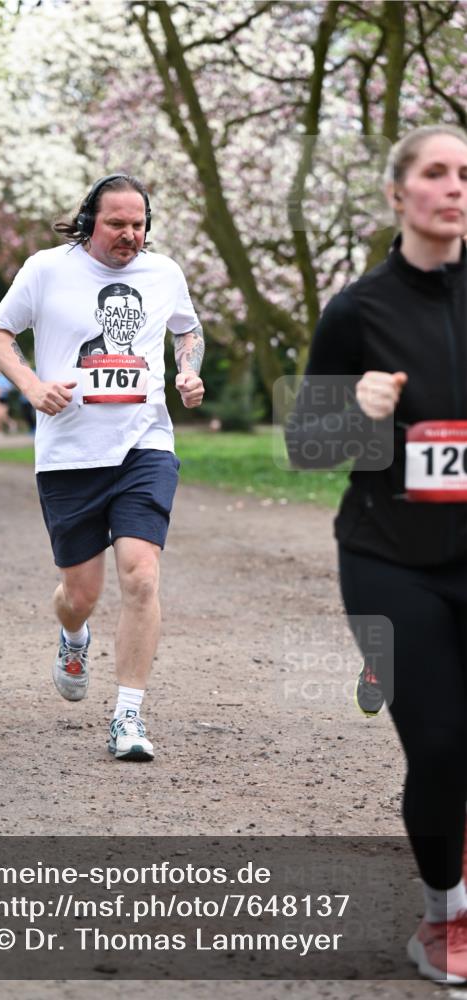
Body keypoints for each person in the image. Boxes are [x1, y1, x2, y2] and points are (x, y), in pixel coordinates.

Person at [286, 125, 467, 983]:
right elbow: (306, 446)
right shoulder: (358, 309)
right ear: (398, 195)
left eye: (464, 173)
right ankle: (442, 917)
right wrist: (355, 412)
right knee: (437, 745)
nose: (453, 187)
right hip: (390, 556)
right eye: (434, 173)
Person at [0, 173, 204, 761]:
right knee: (81, 594)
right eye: (117, 224)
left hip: (145, 446)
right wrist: (30, 385)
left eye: (138, 224)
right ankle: (73, 635)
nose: (129, 235)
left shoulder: (164, 274)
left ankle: (127, 717)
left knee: (141, 575)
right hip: (70, 455)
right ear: (89, 221)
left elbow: (189, 330)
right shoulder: (46, 270)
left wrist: (188, 368)